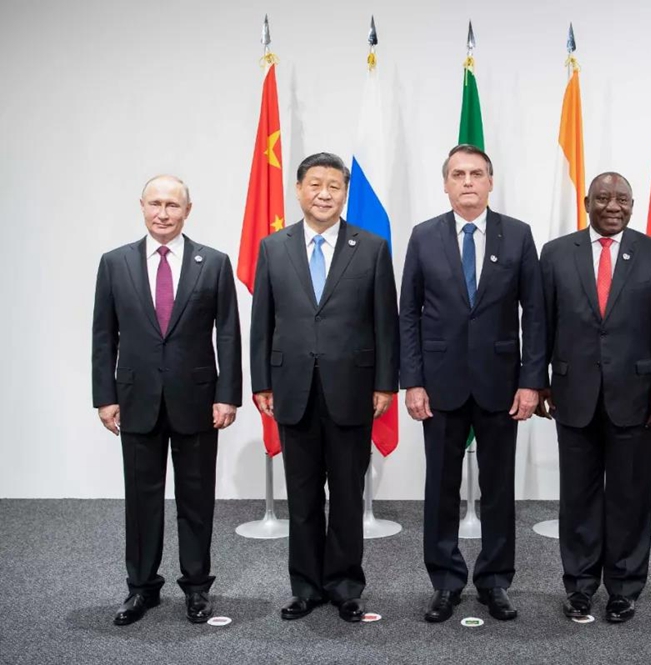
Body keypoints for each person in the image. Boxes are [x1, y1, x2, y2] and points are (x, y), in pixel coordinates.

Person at [250, 152, 399, 623]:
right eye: (315, 184)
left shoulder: (371, 247)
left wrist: (385, 384)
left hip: (352, 389)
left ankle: (346, 587)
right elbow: (261, 322)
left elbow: (386, 322)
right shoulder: (273, 247)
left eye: (334, 186)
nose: (324, 194)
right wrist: (261, 382)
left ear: (344, 193)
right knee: (303, 496)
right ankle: (305, 587)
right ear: (298, 190)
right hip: (292, 389)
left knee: (348, 496)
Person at [399, 144, 545, 623]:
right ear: (445, 184)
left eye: (476, 174)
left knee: (498, 487)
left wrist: (531, 381)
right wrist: (412, 380)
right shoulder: (424, 236)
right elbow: (408, 314)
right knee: (440, 486)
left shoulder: (518, 235)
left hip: (501, 384)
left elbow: (535, 315)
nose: (467, 182)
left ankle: (495, 581)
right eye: (458, 174)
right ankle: (445, 581)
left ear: (490, 182)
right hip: (439, 384)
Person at [92, 175, 241, 625]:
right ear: (141, 206)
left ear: (187, 211)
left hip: (197, 400)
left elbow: (228, 334)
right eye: (155, 204)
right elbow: (104, 335)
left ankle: (197, 588)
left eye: (172, 205)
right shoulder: (114, 263)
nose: (163, 213)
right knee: (142, 500)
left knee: (196, 499)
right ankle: (141, 589)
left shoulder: (213, 263)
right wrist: (104, 397)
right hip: (135, 398)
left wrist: (227, 395)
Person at [538, 171, 651, 623]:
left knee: (629, 496)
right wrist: (538, 381)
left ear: (633, 206)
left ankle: (624, 588)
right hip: (572, 393)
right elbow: (541, 323)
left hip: (636, 396)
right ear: (586, 203)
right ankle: (579, 586)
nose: (613, 206)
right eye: (603, 198)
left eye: (622, 199)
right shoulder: (556, 253)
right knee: (578, 497)